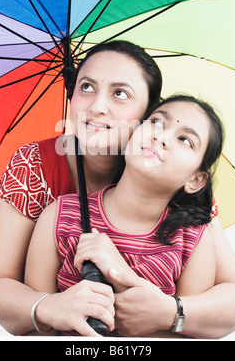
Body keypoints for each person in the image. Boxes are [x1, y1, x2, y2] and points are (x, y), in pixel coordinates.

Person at [0, 41, 235, 338]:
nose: (97, 106)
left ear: (148, 112)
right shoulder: (40, 177)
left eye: (120, 93)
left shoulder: (172, 176)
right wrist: (52, 306)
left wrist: (168, 311)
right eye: (86, 87)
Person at [24, 95, 224, 337]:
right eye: (157, 122)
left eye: (184, 139)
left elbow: (189, 335)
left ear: (195, 180)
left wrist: (120, 274)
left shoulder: (194, 240)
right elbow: (35, 330)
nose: (161, 136)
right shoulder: (60, 216)